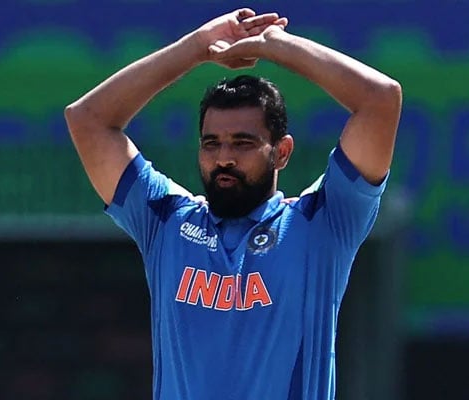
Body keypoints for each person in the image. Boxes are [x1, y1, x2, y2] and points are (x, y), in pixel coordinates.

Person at [64, 8, 402, 400]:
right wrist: (197, 47)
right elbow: (87, 119)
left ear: (281, 152)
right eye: (212, 144)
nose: (224, 157)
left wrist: (279, 47)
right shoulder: (166, 220)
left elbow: (381, 99)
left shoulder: (321, 223)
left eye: (243, 143)